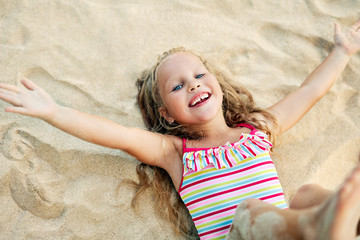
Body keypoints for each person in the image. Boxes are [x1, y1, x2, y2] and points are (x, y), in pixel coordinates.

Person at [0, 21, 359, 240]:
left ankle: (335, 223)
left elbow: (308, 92)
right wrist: (53, 111)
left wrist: (342, 51)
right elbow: (113, 134)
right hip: (243, 234)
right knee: (249, 213)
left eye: (200, 75)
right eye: (177, 86)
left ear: (216, 83)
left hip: (286, 234)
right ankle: (325, 227)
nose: (193, 85)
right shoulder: (174, 153)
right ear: (167, 116)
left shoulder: (257, 131)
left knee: (309, 194)